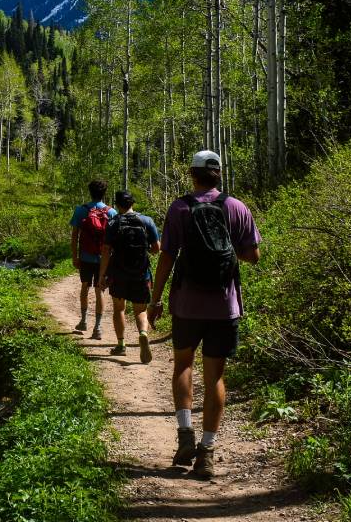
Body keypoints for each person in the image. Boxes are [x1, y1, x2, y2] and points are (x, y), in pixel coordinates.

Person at [147, 150, 261, 479]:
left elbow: (166, 258)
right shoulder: (236, 207)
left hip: (186, 304)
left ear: (192, 174)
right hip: (225, 307)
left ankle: (185, 436)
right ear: (219, 174)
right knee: (216, 378)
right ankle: (206, 453)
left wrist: (155, 301)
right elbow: (253, 255)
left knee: (183, 364)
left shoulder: (180, 208)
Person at [98, 189, 161, 363]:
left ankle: (121, 345)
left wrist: (102, 275)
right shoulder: (147, 221)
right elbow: (157, 248)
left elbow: (105, 250)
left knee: (119, 309)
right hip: (141, 273)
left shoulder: (113, 223)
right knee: (140, 310)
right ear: (132, 203)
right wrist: (146, 250)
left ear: (117, 205)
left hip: (118, 273)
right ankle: (143, 333)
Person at [69, 179, 116, 340]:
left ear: (90, 192)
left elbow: (75, 236)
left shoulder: (81, 210)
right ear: (105, 193)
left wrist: (75, 256)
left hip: (86, 257)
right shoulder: (111, 212)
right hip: (104, 259)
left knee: (84, 287)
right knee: (100, 291)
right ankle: (98, 328)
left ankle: (83, 321)